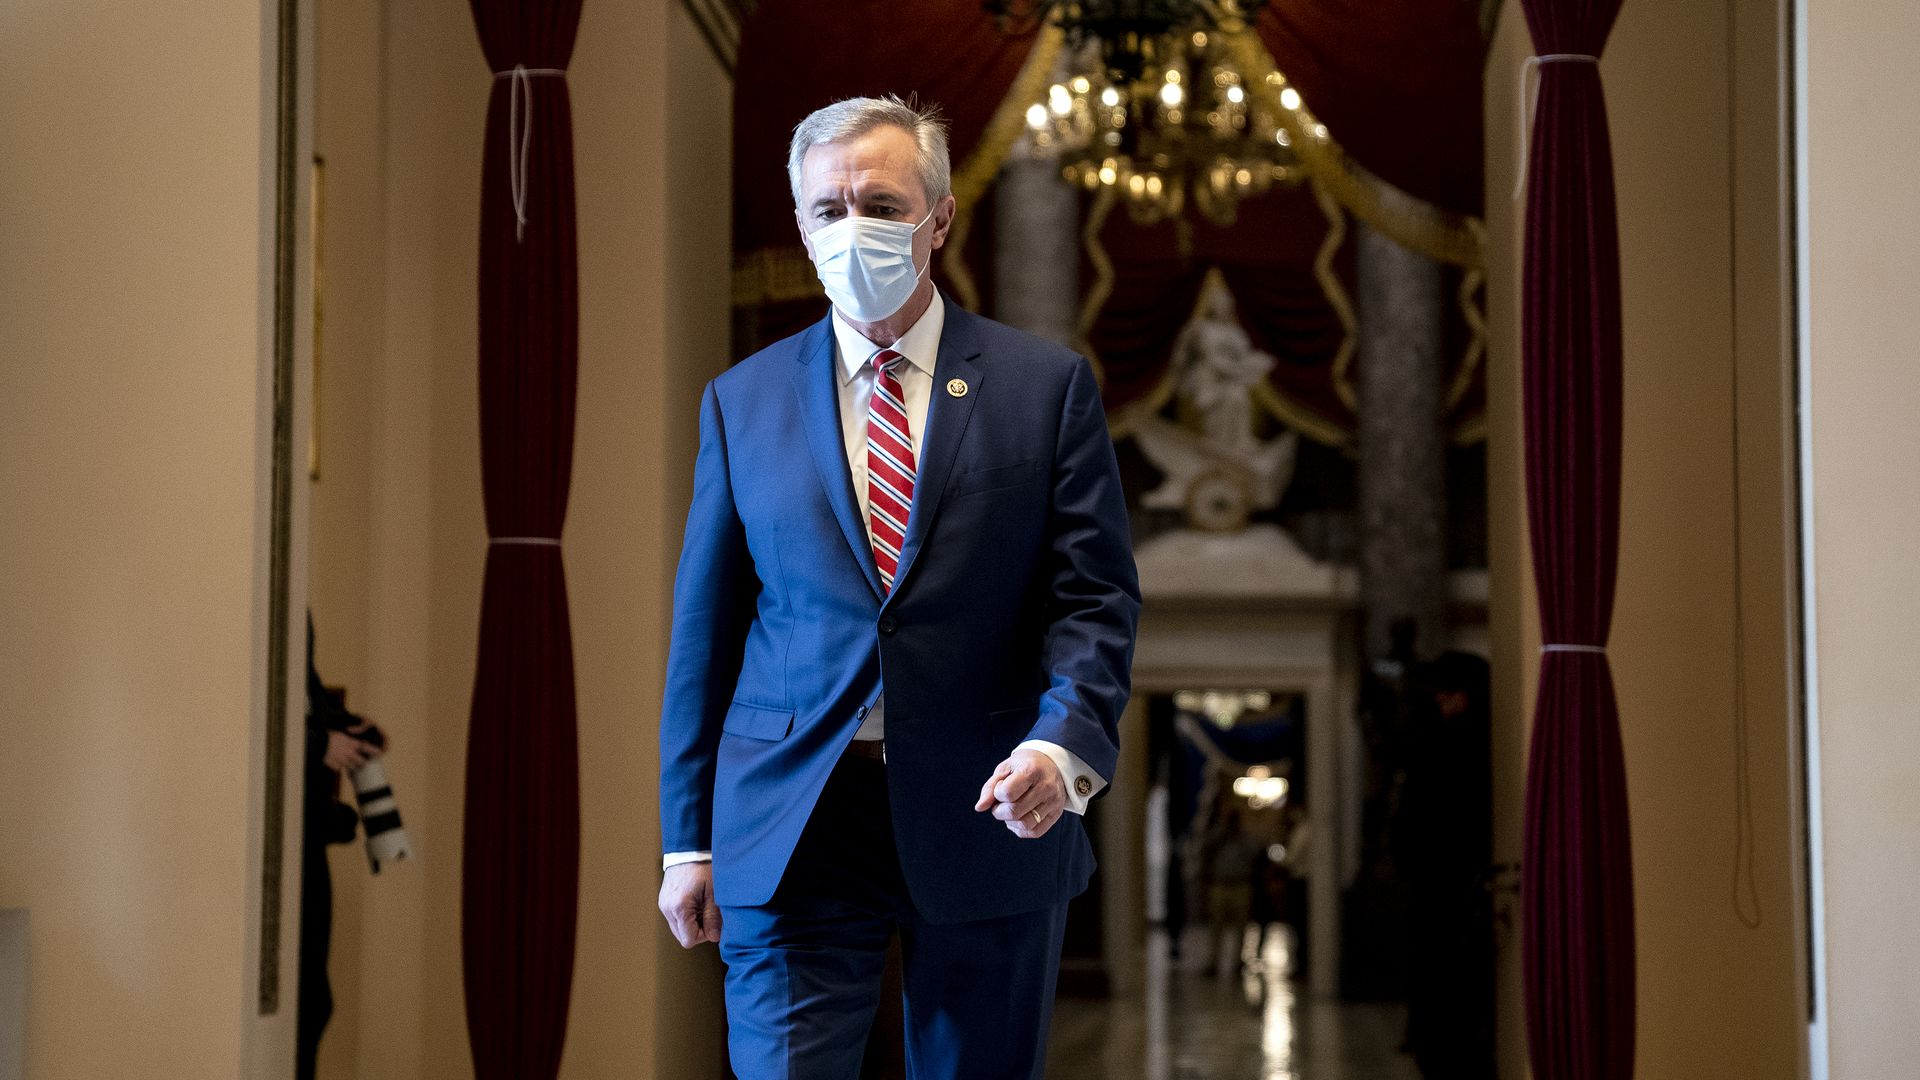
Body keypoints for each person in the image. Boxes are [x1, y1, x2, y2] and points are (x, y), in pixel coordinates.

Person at [655, 95, 1140, 1079]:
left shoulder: (1043, 389)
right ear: (799, 225)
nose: (853, 230)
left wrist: (1062, 746)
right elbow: (707, 631)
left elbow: (1091, 601)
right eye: (827, 211)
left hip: (990, 809)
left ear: (940, 218)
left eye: (880, 204)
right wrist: (686, 841)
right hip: (793, 817)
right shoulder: (740, 402)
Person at [299, 615, 386, 1080]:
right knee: (302, 999)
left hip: (307, 832)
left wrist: (347, 729)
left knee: (312, 1001)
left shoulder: (293, 606)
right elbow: (252, 703)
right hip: (289, 837)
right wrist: (320, 744)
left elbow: (300, 692)